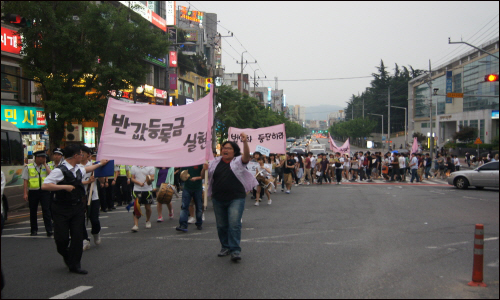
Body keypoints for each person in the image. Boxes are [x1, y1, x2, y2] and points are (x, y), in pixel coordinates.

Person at [42, 144, 109, 275]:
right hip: (61, 208)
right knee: (61, 239)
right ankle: (67, 255)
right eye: (80, 154)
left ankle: (75, 265)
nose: (82, 156)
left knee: (77, 237)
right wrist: (64, 187)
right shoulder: (59, 170)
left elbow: (89, 168)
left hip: (77, 207)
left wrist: (100, 164)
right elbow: (45, 186)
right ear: (75, 156)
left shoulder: (79, 168)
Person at [203, 133, 257, 262]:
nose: (225, 150)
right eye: (224, 148)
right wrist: (203, 169)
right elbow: (205, 175)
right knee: (221, 225)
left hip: (236, 198)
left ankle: (235, 250)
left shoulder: (238, 161)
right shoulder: (214, 162)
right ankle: (225, 247)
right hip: (218, 198)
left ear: (234, 151)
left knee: (234, 224)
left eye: (229, 148)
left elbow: (246, 157)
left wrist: (245, 142)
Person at [22, 150, 53, 237]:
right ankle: (34, 230)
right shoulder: (28, 167)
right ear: (37, 158)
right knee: (33, 211)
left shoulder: (46, 166)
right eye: (41, 157)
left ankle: (49, 230)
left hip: (45, 191)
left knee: (46, 211)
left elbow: (51, 175)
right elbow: (25, 181)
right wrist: (25, 193)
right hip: (33, 191)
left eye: (44, 157)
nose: (43, 159)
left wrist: (45, 165)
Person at [80, 146, 104, 250]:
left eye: (82, 154)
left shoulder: (94, 165)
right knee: (80, 220)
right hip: (80, 197)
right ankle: (85, 240)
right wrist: (87, 181)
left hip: (93, 197)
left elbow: (102, 181)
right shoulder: (75, 167)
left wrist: (100, 173)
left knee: (94, 219)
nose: (80, 156)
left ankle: (96, 232)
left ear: (88, 155)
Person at [176, 164, 204, 232]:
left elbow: (203, 176)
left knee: (199, 207)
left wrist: (197, 177)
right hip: (187, 188)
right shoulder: (185, 163)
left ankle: (199, 223)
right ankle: (183, 225)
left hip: (198, 188)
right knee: (184, 206)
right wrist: (183, 176)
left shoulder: (200, 163)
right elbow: (182, 176)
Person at [130, 165, 155, 232]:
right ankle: (136, 225)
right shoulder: (133, 167)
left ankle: (148, 220)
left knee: (147, 208)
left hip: (147, 190)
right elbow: (132, 178)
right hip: (137, 189)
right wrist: (139, 183)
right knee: (136, 207)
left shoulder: (150, 167)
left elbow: (153, 177)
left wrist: (149, 179)